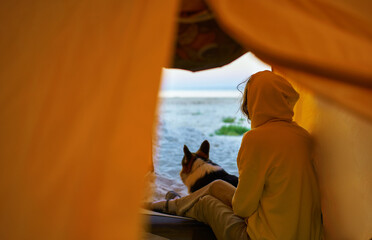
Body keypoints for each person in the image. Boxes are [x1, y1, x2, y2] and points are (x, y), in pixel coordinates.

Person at [151, 70, 323, 240]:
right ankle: (174, 203)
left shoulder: (256, 139)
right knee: (216, 185)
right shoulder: (303, 136)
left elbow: (242, 209)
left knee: (206, 203)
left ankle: (170, 206)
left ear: (254, 102)